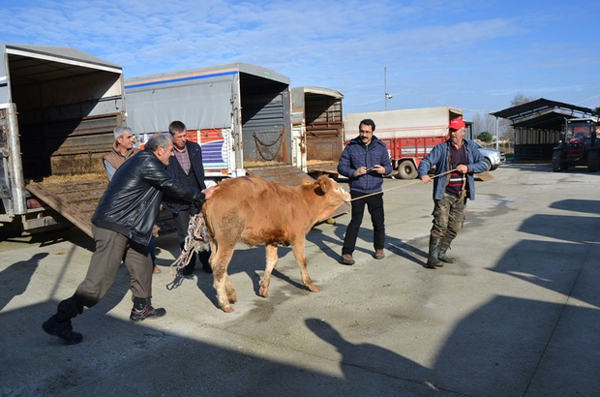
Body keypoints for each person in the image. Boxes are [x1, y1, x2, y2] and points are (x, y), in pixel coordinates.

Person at [42, 134, 217, 344]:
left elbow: (167, 194)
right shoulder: (147, 161)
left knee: (143, 263)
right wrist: (201, 195)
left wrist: (197, 199)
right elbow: (171, 185)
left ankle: (141, 308)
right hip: (114, 226)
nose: (172, 155)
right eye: (170, 151)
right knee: (99, 281)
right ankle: (60, 319)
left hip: (131, 228)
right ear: (159, 150)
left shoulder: (147, 164)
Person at [417, 118, 488, 268]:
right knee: (440, 225)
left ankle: (441, 253)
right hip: (444, 193)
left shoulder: (470, 148)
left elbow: (483, 164)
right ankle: (432, 258)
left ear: (463, 132)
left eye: (456, 130)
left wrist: (468, 168)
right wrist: (423, 173)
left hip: (461, 194)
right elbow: (426, 161)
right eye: (451, 130)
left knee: (455, 226)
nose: (453, 133)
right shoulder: (442, 148)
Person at [103, 126, 160, 274]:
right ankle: (131, 265)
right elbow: (115, 180)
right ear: (119, 140)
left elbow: (147, 174)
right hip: (123, 204)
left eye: (132, 136)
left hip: (141, 201)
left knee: (147, 232)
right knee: (124, 236)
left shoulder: (139, 154)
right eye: (129, 137)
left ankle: (151, 263)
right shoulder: (109, 159)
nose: (132, 139)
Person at [338, 118, 392, 265]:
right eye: (362, 131)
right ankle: (347, 253)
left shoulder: (380, 147)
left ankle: (379, 248)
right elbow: (341, 167)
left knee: (378, 222)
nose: (364, 134)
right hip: (357, 190)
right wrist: (353, 172)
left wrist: (384, 170)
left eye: (367, 132)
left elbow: (389, 166)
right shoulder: (351, 147)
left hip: (375, 191)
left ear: (372, 132)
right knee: (355, 221)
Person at [164, 121, 212, 275]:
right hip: (178, 201)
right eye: (179, 137)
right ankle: (188, 264)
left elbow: (199, 171)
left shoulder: (194, 148)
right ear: (172, 137)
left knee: (202, 231)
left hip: (196, 197)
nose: (183, 139)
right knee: (184, 233)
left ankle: (206, 262)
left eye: (185, 135)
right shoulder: (167, 152)